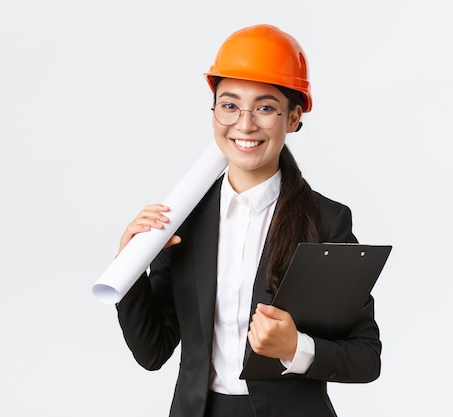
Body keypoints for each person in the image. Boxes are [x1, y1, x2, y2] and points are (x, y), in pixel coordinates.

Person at [115, 24, 381, 417]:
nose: (244, 123)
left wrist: (296, 349)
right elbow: (152, 352)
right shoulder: (183, 219)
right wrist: (130, 266)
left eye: (265, 107)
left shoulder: (327, 220)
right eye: (229, 104)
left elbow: (365, 357)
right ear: (214, 111)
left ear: (293, 118)